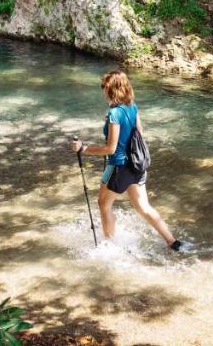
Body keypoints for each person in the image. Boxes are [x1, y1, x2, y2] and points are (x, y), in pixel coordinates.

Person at [71, 69, 183, 251]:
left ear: (112, 89)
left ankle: (109, 245)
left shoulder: (114, 114)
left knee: (103, 204)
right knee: (143, 207)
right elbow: (139, 133)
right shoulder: (132, 107)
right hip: (137, 165)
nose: (103, 90)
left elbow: (110, 149)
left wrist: (84, 149)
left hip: (119, 166)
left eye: (104, 87)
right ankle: (173, 242)